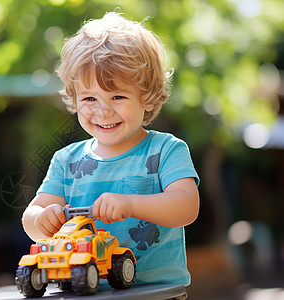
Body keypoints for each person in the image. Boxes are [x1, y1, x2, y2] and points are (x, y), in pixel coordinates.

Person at [21, 11, 200, 290]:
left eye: (118, 96)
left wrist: (130, 204)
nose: (103, 110)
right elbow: (33, 217)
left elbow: (186, 207)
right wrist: (41, 219)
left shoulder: (166, 150)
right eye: (90, 98)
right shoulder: (66, 160)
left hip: (156, 293)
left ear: (147, 97)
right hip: (82, 290)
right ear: (75, 98)